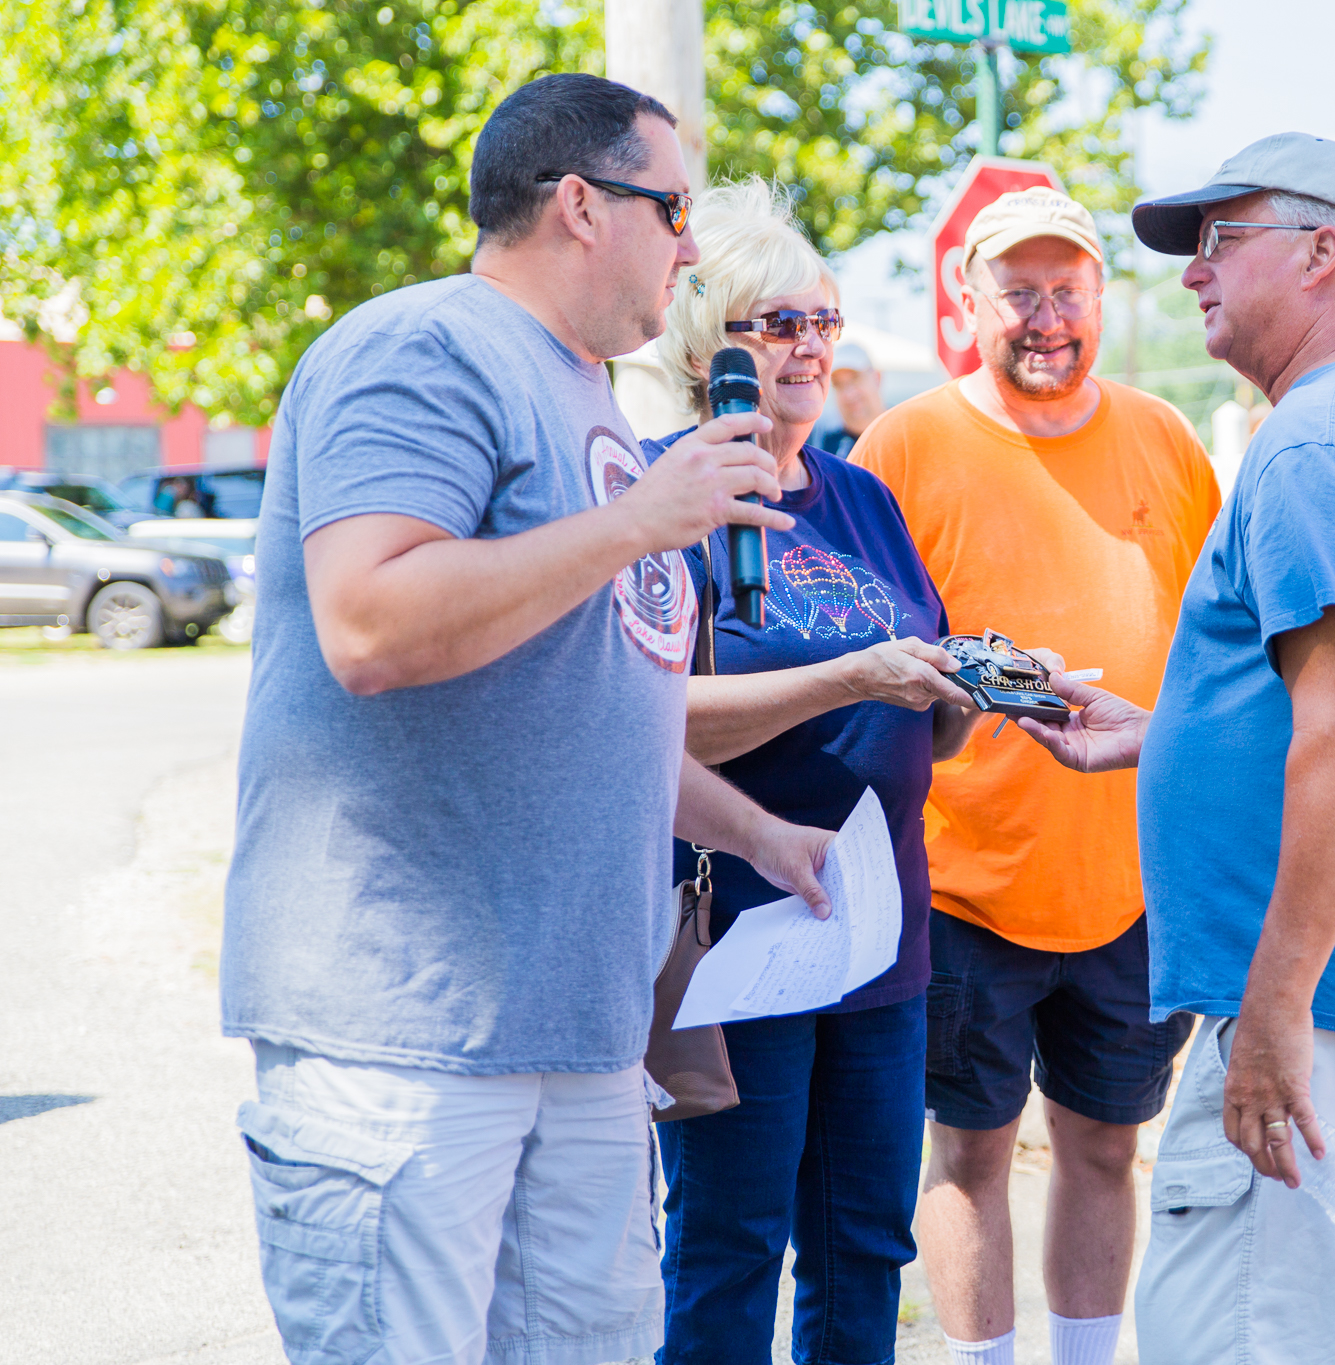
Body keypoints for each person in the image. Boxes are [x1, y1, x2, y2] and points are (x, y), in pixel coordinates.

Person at [220, 74, 835, 1365]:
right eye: (672, 209)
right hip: (412, 1040)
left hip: (584, 1043)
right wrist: (637, 524)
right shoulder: (424, 346)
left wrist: (763, 836)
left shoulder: (598, 405)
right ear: (578, 203)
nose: (688, 242)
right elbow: (371, 623)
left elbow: (602, 704)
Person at [1022, 131, 1335, 1361]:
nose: (1191, 272)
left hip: (1333, 1023)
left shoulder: (1317, 443)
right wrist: (1176, 736)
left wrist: (1274, 1010)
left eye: (1216, 240)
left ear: (1321, 253)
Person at [853, 187, 1218, 1365]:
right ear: (969, 301)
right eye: (1019, 294)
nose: (1046, 320)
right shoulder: (904, 446)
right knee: (967, 1153)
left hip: (1129, 879)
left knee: (1106, 1146)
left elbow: (1216, 638)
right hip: (962, 883)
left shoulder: (1163, 435)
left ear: (1102, 297)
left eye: (1068, 293)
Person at [642, 179, 982, 1365]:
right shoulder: (663, 494)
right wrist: (849, 683)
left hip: (876, 938)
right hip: (741, 938)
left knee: (863, 1250)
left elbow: (917, 700)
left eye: (822, 322)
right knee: (730, 1247)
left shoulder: (861, 499)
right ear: (706, 342)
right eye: (773, 323)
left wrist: (969, 695)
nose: (806, 347)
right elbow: (645, 726)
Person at [813, 341, 886, 458]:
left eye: (855, 379)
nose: (849, 394)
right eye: (838, 384)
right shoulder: (823, 443)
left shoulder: (901, 432)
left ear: (877, 378)